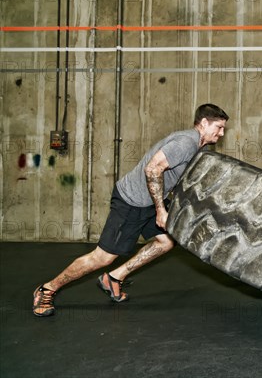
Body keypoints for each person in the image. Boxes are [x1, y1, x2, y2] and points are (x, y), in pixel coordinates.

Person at [33, 103, 229, 316]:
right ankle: (47, 289)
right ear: (203, 123)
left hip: (151, 201)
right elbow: (152, 169)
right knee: (103, 257)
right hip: (132, 201)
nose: (222, 133)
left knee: (166, 241)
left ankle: (114, 277)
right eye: (218, 127)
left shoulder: (200, 147)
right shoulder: (185, 142)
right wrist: (161, 210)